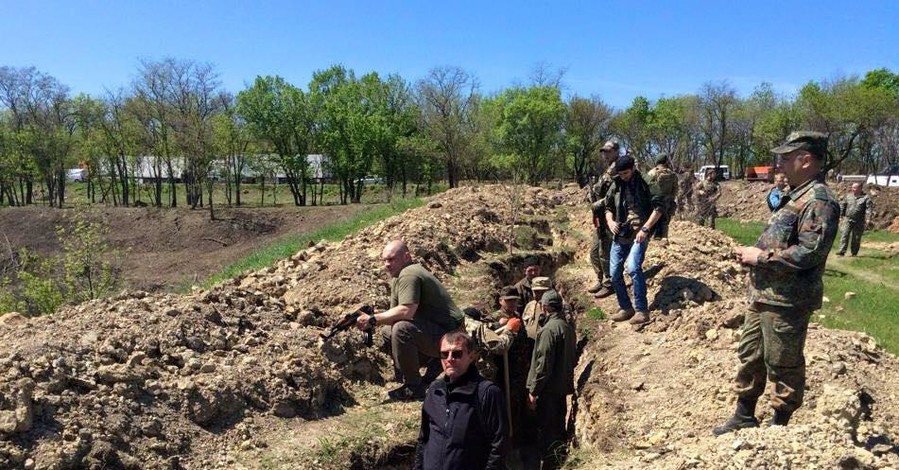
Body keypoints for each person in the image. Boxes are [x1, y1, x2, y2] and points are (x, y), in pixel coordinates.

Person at [713, 131, 839, 435]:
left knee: (783, 362)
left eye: (785, 157)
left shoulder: (819, 200)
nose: (778, 162)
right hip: (764, 294)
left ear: (805, 160)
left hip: (788, 300)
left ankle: (779, 426)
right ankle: (744, 414)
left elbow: (810, 252)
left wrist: (760, 258)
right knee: (751, 355)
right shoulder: (795, 194)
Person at [356, 240, 464, 401]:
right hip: (440, 330)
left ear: (406, 257)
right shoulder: (398, 277)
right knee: (389, 331)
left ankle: (414, 387)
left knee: (401, 329)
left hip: (453, 338)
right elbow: (395, 315)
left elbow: (407, 311)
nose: (386, 264)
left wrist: (373, 319)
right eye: (384, 260)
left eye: (391, 259)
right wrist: (371, 318)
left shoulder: (409, 274)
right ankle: (422, 367)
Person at [414, 330, 508, 470]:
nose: (449, 359)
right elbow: (424, 438)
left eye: (457, 354)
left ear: (471, 356)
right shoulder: (435, 390)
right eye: (444, 354)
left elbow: (499, 446)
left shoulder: (487, 393)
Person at [602, 155, 664, 325]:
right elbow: (607, 206)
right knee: (614, 273)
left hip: (640, 232)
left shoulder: (647, 182)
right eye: (620, 174)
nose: (623, 177)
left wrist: (646, 228)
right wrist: (610, 221)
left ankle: (642, 310)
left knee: (633, 267)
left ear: (634, 168)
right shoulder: (617, 183)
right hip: (621, 232)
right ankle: (625, 307)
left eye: (626, 173)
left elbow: (659, 207)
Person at [526, 289, 576, 470]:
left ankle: (550, 464)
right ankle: (558, 460)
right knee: (557, 429)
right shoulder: (566, 326)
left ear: (544, 307)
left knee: (547, 432)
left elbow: (543, 364)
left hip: (548, 391)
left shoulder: (548, 330)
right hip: (560, 389)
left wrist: (533, 391)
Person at [587, 140, 620, 298]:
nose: (605, 154)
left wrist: (598, 203)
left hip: (610, 214)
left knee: (604, 251)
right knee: (594, 252)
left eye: (608, 151)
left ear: (616, 151)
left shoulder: (619, 167)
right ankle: (600, 279)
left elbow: (615, 194)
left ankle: (610, 283)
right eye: (604, 152)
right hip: (599, 215)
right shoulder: (607, 169)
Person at [645, 154, 679, 240]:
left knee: (651, 222)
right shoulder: (672, 174)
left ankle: (649, 239)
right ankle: (663, 240)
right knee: (664, 222)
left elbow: (645, 187)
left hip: (654, 203)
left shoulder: (651, 173)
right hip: (667, 203)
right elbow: (675, 190)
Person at [836, 182, 874, 257]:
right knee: (844, 234)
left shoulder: (866, 198)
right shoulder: (848, 196)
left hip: (859, 220)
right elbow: (843, 205)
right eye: (852, 187)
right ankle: (841, 251)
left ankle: (854, 253)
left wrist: (868, 219)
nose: (852, 189)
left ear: (860, 188)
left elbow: (869, 209)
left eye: (854, 188)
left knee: (856, 237)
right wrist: (841, 216)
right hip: (848, 219)